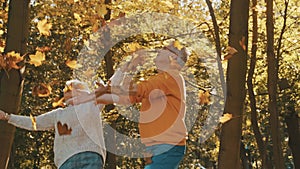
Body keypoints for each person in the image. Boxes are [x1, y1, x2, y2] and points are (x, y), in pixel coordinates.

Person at [67, 41, 189, 169]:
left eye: (164, 48)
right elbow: (125, 98)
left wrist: (106, 90)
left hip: (168, 145)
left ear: (174, 56)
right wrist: (89, 98)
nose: (159, 50)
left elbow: (136, 89)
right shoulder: (161, 81)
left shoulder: (171, 77)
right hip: (157, 147)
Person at [0, 79, 107, 169]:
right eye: (66, 91)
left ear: (81, 91)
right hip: (66, 161)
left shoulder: (92, 103)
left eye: (70, 89)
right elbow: (34, 122)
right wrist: (7, 116)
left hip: (91, 156)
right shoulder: (59, 114)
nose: (66, 92)